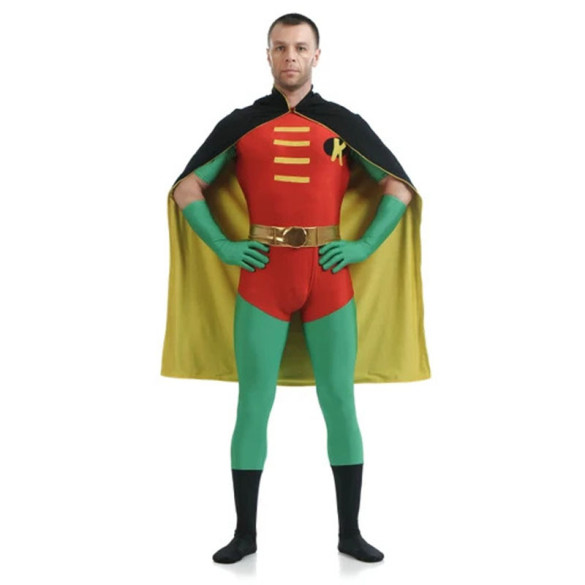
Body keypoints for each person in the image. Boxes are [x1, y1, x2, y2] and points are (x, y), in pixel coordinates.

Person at [161, 13, 430, 564]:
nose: (290, 56)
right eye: (281, 47)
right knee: (253, 404)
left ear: (316, 56)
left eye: (300, 48)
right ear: (268, 54)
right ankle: (245, 536)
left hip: (329, 277)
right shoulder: (242, 123)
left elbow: (398, 187)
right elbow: (188, 188)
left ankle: (350, 534)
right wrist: (224, 247)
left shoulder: (342, 122)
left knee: (340, 401)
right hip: (263, 277)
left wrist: (363, 246)